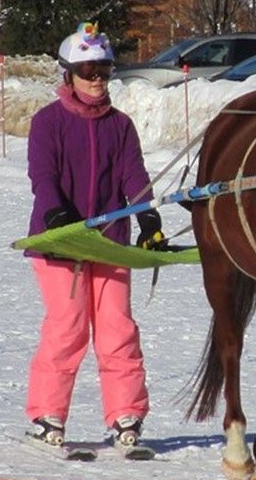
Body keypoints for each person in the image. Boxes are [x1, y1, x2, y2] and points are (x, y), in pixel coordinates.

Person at [24, 22, 164, 451]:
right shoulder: (48, 122)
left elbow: (133, 175)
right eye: (88, 72)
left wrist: (147, 215)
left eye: (104, 71)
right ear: (68, 75)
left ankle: (126, 416)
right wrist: (56, 212)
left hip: (109, 240)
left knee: (117, 328)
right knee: (67, 328)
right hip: (60, 241)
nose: (97, 80)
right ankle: (47, 415)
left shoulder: (120, 125)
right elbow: (42, 175)